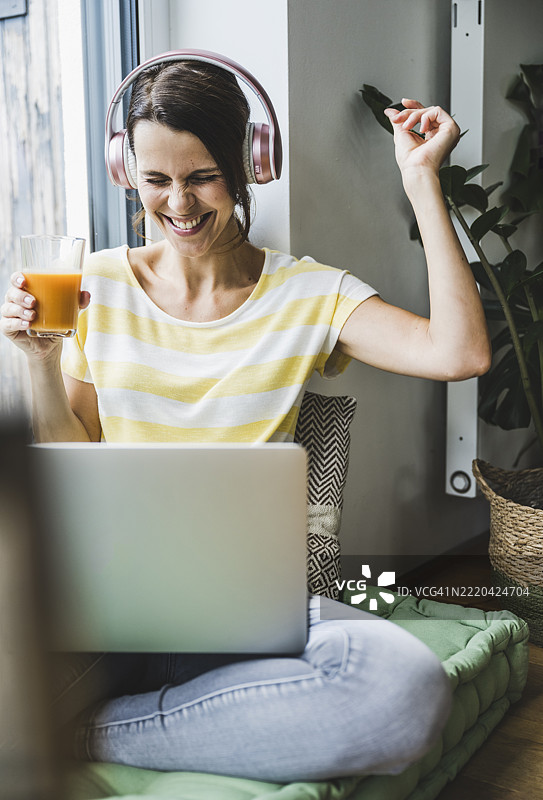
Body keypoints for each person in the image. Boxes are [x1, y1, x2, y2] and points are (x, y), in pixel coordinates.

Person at [0, 54, 490, 782]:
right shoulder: (92, 282)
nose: (179, 205)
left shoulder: (307, 294)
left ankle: (89, 733)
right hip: (102, 601)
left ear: (249, 162)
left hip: (244, 615)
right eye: (157, 179)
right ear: (125, 170)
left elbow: (461, 352)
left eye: (202, 177)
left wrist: (422, 180)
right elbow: (70, 452)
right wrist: (38, 359)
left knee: (401, 689)